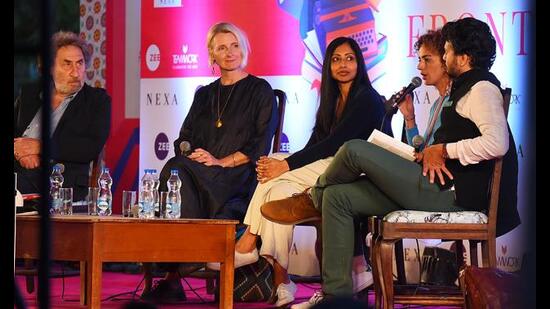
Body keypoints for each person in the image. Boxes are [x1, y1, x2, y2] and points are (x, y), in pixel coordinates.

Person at [266, 17, 520, 308]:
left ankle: (312, 195)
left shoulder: (481, 89)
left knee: (353, 150)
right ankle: (336, 298)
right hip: (432, 184)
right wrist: (420, 134)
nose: (443, 57)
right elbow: (431, 150)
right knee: (337, 197)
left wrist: (445, 150)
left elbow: (496, 143)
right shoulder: (461, 91)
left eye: (445, 51)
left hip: (452, 195)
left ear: (463, 58)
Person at [217, 36, 391, 307]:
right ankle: (283, 279)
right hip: (330, 170)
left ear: (359, 63)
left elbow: (335, 145)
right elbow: (316, 144)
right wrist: (284, 164)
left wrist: (286, 166)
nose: (343, 65)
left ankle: (249, 241)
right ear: (328, 67)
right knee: (276, 189)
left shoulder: (367, 99)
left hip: (358, 176)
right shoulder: (331, 101)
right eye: (336, 59)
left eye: (349, 58)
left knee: (279, 168)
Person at [142, 22, 278, 303]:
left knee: (176, 171)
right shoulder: (204, 94)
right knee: (177, 167)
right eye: (221, 48)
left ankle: (175, 271)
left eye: (235, 45)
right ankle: (181, 264)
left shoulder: (260, 90)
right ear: (211, 55)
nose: (229, 53)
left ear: (244, 49)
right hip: (201, 173)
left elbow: (259, 146)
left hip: (239, 176)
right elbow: (184, 138)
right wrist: (194, 153)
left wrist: (220, 161)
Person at [14, 31, 111, 203]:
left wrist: (39, 147)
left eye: (80, 63)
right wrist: (22, 154)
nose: (75, 72)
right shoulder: (30, 94)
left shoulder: (97, 101)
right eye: (67, 64)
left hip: (59, 181)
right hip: (19, 171)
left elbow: (89, 147)